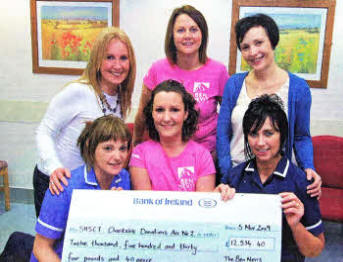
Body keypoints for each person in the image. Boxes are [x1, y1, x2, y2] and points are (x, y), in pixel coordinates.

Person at [33, 27, 136, 217]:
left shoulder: (121, 97)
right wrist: (54, 167)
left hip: (86, 183)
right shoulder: (78, 91)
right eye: (109, 57)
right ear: (97, 61)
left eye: (123, 58)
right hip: (57, 180)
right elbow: (43, 131)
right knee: (54, 243)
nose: (117, 65)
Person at [216, 13, 321, 197]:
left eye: (259, 43)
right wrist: (226, 175)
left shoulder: (298, 88)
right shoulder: (234, 84)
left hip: (279, 181)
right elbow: (223, 133)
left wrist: (309, 167)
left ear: (272, 42)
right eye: (245, 47)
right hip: (237, 180)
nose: (253, 52)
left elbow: (301, 136)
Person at [218, 94, 325, 262]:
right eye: (253, 134)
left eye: (268, 133)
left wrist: (295, 225)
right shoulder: (235, 176)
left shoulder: (302, 182)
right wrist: (217, 200)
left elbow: (315, 250)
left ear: (282, 135)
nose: (260, 142)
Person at [31, 115, 132, 261]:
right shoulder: (64, 188)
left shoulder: (123, 178)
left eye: (122, 148)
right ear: (91, 146)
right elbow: (41, 247)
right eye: (108, 148)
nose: (118, 156)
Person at [133, 5, 229, 155]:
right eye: (181, 30)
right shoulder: (157, 69)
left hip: (207, 154)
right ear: (172, 35)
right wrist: (135, 146)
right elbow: (142, 114)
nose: (187, 35)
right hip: (165, 154)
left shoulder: (218, 71)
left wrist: (222, 155)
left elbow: (229, 117)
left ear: (202, 34)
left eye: (193, 29)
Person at [130, 80, 216, 192]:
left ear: (186, 113)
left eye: (174, 110)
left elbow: (204, 206)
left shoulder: (202, 156)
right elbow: (145, 204)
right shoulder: (140, 154)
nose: (166, 118)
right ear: (152, 113)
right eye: (159, 110)